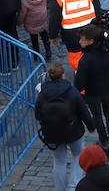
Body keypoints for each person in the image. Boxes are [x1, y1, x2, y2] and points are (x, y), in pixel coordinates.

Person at [35, 62, 94, 191]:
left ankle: (60, 188)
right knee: (78, 155)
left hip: (52, 133)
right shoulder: (72, 91)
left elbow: (37, 114)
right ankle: (73, 186)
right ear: (63, 75)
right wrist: (91, 126)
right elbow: (83, 110)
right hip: (73, 131)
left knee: (59, 161)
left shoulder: (42, 93)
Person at [75, 25, 109, 153]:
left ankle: (104, 141)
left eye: (82, 39)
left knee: (97, 116)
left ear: (90, 41)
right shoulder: (108, 52)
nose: (80, 42)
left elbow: (79, 83)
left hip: (93, 93)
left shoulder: (86, 60)